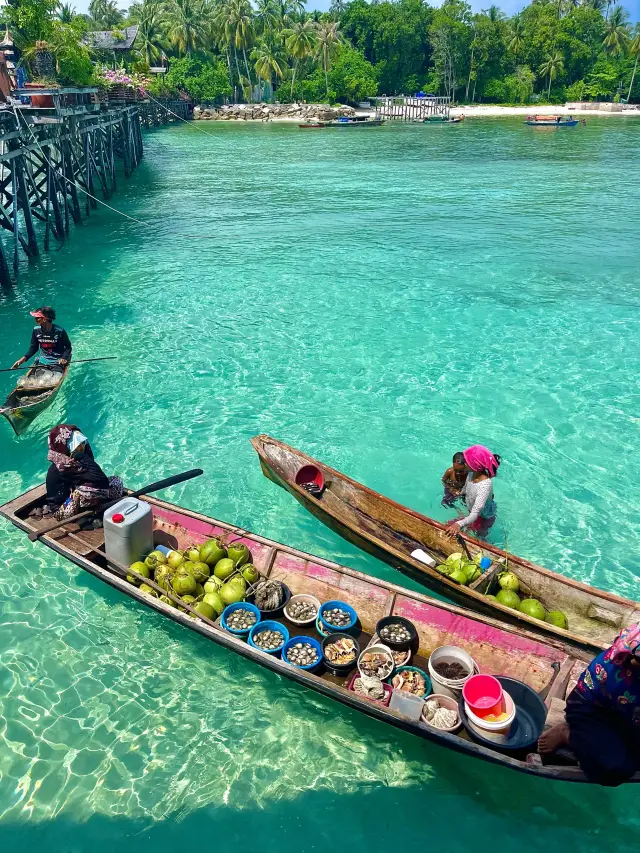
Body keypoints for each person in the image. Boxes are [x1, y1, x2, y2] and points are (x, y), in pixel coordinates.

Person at [539, 624, 640, 786]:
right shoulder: (625, 667)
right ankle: (568, 734)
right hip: (591, 708)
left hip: (626, 715)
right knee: (616, 769)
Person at [39, 424, 123, 521]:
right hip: (61, 510)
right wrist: (82, 457)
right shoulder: (64, 466)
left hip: (74, 495)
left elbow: (100, 480)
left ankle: (95, 508)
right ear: (64, 446)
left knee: (116, 481)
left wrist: (82, 456)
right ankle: (89, 514)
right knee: (88, 490)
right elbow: (100, 479)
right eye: (77, 446)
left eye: (82, 443)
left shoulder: (75, 460)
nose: (82, 447)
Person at [444, 445, 500, 539]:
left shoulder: (485, 485)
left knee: (478, 536)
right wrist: (459, 493)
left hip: (484, 516)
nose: (464, 463)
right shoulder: (471, 473)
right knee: (448, 525)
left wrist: (459, 524)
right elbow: (466, 488)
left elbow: (475, 513)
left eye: (466, 461)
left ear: (475, 465)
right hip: (473, 512)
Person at [10, 307, 72, 390]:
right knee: (37, 381)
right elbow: (34, 347)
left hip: (58, 363)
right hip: (43, 362)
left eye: (37, 317)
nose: (35, 319)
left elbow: (68, 347)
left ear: (45, 319)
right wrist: (22, 360)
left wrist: (63, 358)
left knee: (54, 381)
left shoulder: (60, 331)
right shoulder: (36, 330)